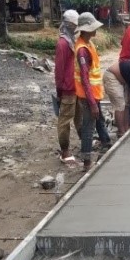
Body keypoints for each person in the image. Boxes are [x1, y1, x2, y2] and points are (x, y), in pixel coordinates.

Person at [75, 12, 111, 171]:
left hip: (94, 94)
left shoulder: (89, 44)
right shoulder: (82, 50)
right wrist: (92, 103)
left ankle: (106, 143)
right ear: (86, 29)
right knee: (89, 126)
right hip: (87, 95)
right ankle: (87, 161)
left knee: (99, 119)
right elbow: (84, 78)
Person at [54, 10, 82, 166]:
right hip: (68, 89)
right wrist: (59, 91)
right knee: (65, 121)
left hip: (76, 86)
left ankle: (85, 145)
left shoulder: (71, 41)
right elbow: (59, 70)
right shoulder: (63, 44)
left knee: (80, 118)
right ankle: (65, 151)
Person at [103, 62, 129, 138]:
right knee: (120, 105)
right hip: (112, 76)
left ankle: (126, 129)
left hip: (123, 77)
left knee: (127, 103)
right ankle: (121, 132)